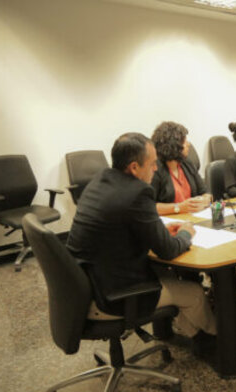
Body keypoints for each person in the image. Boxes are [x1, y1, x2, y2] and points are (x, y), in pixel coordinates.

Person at [67, 132, 217, 359]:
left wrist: (158, 230)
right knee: (194, 293)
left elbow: (120, 225)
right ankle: (218, 342)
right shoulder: (137, 192)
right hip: (112, 297)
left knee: (170, 278)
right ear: (134, 167)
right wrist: (186, 233)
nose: (156, 169)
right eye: (152, 164)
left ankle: (193, 334)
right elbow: (168, 250)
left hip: (83, 289)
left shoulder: (100, 181)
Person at [150, 121, 212, 215]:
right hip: (169, 222)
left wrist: (205, 200)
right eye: (184, 141)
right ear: (173, 145)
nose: (188, 144)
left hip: (193, 218)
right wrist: (178, 207)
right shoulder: (155, 169)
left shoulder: (187, 163)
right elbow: (149, 206)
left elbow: (206, 192)